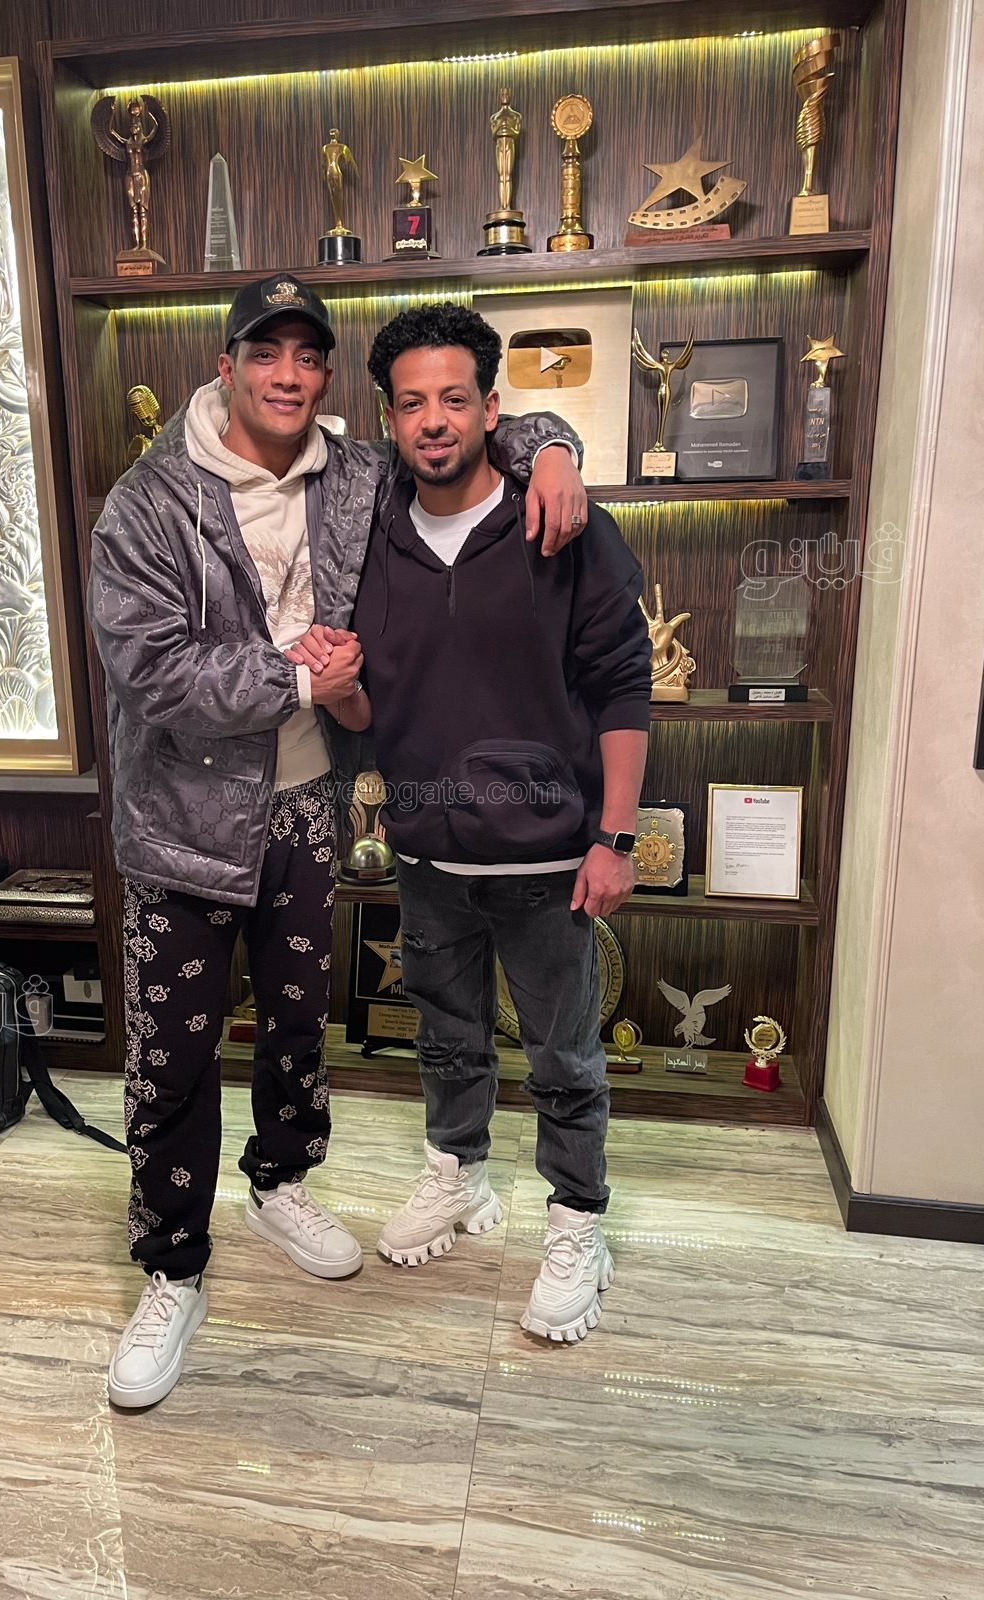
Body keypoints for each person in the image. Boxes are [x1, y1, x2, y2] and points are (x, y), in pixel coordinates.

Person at [89, 275, 588, 1407]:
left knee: (297, 1022)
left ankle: (279, 1182)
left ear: (323, 374)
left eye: (308, 357)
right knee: (172, 1058)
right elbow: (149, 670)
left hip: (309, 805)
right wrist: (296, 675)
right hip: (181, 827)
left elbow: (457, 431)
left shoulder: (353, 472)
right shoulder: (151, 502)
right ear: (226, 366)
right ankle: (173, 1268)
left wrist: (553, 445)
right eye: (265, 354)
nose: (287, 376)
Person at [330, 303, 651, 1343]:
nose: (434, 420)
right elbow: (373, 707)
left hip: (552, 856)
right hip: (428, 850)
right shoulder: (368, 538)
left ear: (490, 409)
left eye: (454, 399)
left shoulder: (560, 521)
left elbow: (623, 685)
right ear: (389, 417)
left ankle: (578, 1220)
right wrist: (340, 692)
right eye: (412, 403)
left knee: (564, 1056)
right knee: (447, 1035)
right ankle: (459, 1172)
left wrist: (615, 839)